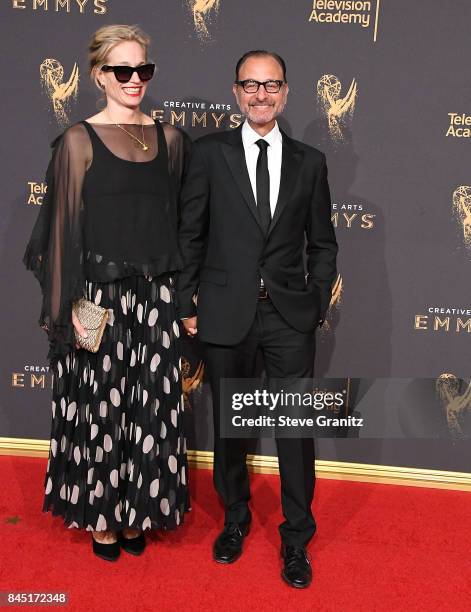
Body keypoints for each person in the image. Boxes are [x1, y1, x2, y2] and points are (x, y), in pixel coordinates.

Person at [24, 24, 190, 561]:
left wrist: (183, 303)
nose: (135, 79)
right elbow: (62, 232)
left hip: (157, 298)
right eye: (123, 70)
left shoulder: (170, 140)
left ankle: (139, 509)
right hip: (99, 297)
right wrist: (67, 309)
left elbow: (180, 223)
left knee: (152, 408)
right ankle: (101, 517)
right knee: (101, 407)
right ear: (99, 75)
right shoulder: (78, 139)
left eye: (144, 69)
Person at [177, 50, 338, 588]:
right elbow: (191, 235)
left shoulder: (310, 162)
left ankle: (297, 540)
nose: (261, 94)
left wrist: (313, 302)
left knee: (294, 430)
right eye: (251, 84)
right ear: (236, 91)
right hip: (225, 315)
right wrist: (186, 304)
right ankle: (236, 520)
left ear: (286, 92)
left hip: (289, 318)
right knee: (233, 430)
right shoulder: (208, 155)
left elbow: (324, 244)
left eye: (271, 85)